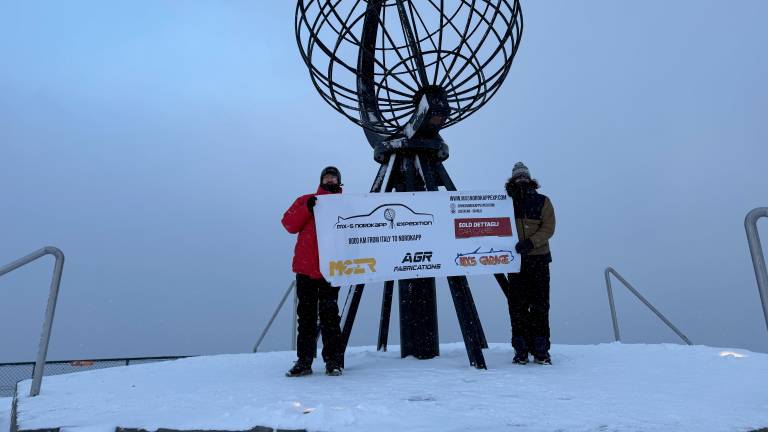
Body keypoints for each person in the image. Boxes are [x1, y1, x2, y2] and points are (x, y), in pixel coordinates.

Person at [281, 166, 345, 377]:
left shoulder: (346, 204)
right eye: (327, 177)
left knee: (330, 317)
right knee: (306, 317)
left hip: (332, 270)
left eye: (333, 177)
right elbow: (289, 224)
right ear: (321, 180)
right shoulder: (306, 200)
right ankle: (304, 361)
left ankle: (333, 361)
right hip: (306, 269)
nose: (330, 180)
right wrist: (307, 209)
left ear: (338, 181)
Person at [504, 162, 556, 365]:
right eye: (518, 177)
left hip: (539, 260)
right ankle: (521, 350)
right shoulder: (504, 202)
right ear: (513, 180)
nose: (521, 180)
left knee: (540, 305)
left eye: (524, 177)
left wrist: (531, 243)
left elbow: (549, 227)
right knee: (517, 306)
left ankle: (541, 350)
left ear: (529, 178)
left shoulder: (543, 201)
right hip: (515, 262)